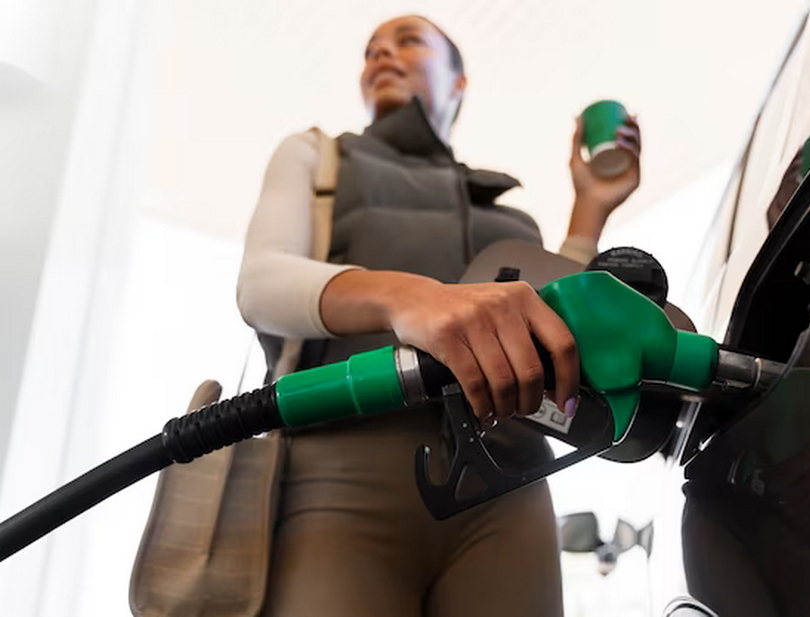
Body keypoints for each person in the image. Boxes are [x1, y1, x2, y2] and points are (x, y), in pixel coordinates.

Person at [236, 14, 642, 616]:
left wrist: (590, 208)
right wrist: (411, 299)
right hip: (343, 468)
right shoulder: (318, 157)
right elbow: (262, 282)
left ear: (458, 82)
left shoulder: (510, 217)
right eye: (371, 49)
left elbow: (557, 317)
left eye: (407, 41)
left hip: (512, 478)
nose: (380, 55)